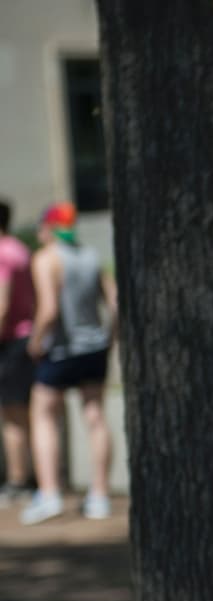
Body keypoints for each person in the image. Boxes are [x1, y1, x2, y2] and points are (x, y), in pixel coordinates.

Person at [21, 203, 116, 524]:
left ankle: (49, 494)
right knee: (95, 416)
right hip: (94, 348)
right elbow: (114, 303)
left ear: (48, 228)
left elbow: (48, 309)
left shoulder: (46, 259)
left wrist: (35, 343)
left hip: (61, 350)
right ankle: (100, 496)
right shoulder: (90, 256)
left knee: (43, 415)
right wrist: (109, 339)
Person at [0, 198, 36, 506]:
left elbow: (2, 304)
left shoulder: (2, 253)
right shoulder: (20, 250)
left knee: (11, 415)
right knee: (24, 413)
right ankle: (31, 478)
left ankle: (17, 481)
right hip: (26, 337)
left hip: (9, 341)